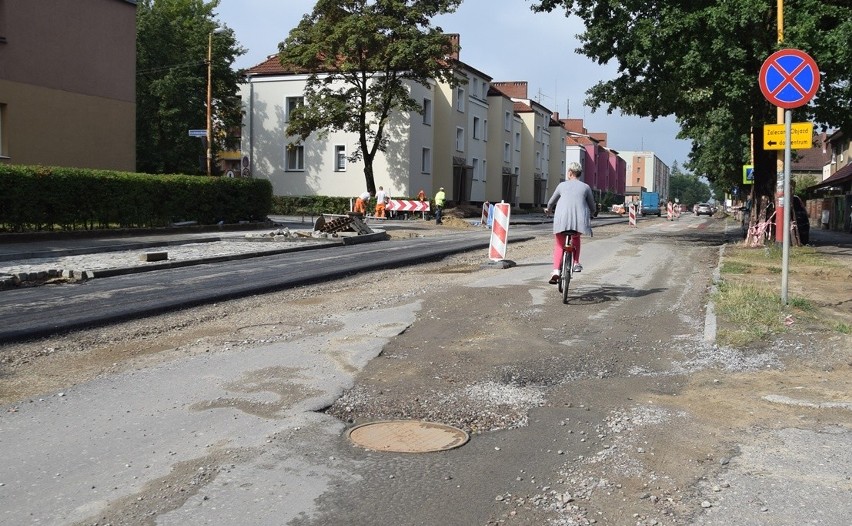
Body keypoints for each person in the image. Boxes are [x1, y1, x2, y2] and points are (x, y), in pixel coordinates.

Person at [544, 162, 596, 284]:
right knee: (576, 238)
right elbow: (592, 205)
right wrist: (593, 213)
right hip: (579, 222)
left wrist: (549, 210)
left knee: (558, 245)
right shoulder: (586, 187)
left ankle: (556, 270)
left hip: (561, 221)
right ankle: (576, 263)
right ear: (579, 174)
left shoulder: (561, 185)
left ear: (570, 172)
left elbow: (551, 202)